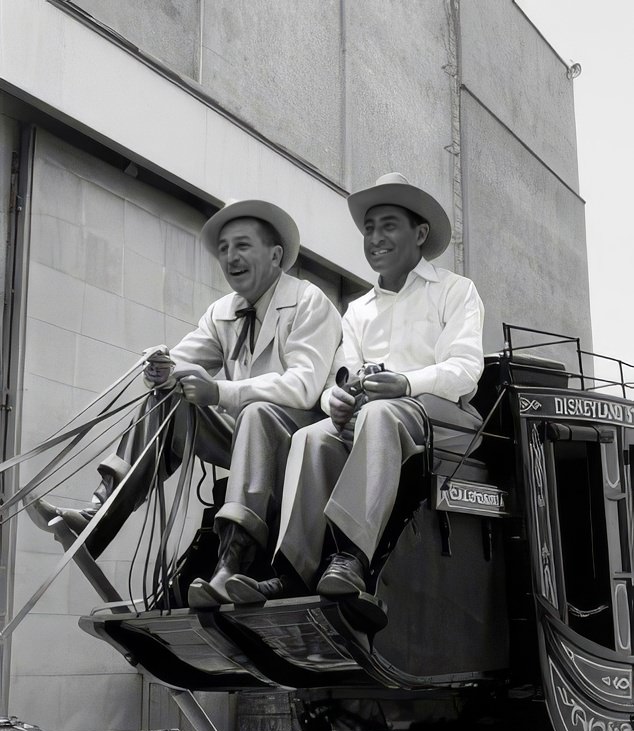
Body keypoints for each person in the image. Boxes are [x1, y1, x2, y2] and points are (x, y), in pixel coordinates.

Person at [27, 198, 342, 607]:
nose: (230, 257)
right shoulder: (222, 311)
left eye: (242, 245)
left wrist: (220, 392)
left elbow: (304, 387)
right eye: (224, 248)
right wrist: (161, 369)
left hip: (298, 444)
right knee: (167, 402)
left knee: (258, 412)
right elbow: (182, 361)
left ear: (276, 255)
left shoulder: (309, 300)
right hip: (246, 439)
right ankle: (99, 517)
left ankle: (235, 558)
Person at [227, 173, 484, 606]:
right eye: (369, 228)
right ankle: (291, 570)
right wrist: (337, 402)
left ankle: (351, 556)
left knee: (383, 414)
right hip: (371, 420)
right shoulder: (357, 311)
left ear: (419, 233)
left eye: (387, 225)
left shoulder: (456, 291)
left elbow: (465, 370)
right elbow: (336, 380)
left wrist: (405, 383)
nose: (375, 238)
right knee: (311, 436)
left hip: (447, 421)